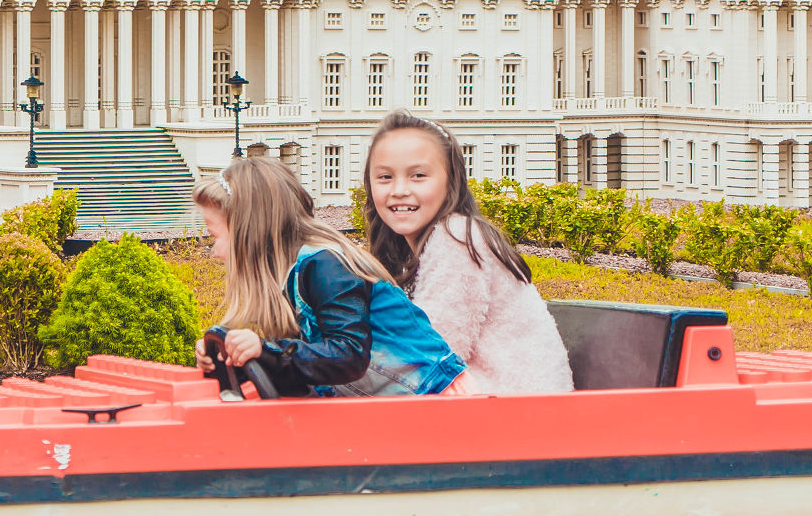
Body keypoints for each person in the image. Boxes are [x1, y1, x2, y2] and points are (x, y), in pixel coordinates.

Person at [191, 156, 464, 398]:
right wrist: (232, 361)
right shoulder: (287, 279)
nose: (215, 252)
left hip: (436, 402)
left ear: (249, 232)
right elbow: (304, 370)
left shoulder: (325, 266)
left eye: (215, 236)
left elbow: (348, 356)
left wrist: (267, 351)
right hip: (390, 411)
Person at [360, 112, 574, 395]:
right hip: (489, 403)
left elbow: (431, 352)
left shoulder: (458, 237)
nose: (399, 190)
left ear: (451, 182)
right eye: (385, 177)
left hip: (513, 409)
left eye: (418, 176)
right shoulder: (413, 251)